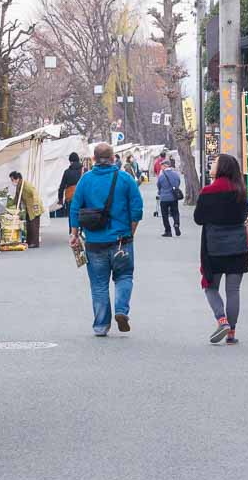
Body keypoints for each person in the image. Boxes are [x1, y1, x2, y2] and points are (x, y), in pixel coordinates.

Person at [69, 142, 143, 336]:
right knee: (124, 276)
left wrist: (74, 234)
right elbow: (137, 209)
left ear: (93, 159)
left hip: (94, 242)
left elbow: (75, 208)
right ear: (112, 159)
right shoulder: (125, 179)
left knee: (99, 284)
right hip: (121, 240)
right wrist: (130, 232)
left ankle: (101, 326)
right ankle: (121, 310)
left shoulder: (85, 180)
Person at [195, 154, 248, 344]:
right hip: (238, 247)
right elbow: (243, 215)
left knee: (210, 286)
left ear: (222, 168)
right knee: (233, 290)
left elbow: (198, 218)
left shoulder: (208, 192)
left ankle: (222, 320)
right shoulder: (241, 191)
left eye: (215, 163)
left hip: (214, 247)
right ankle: (231, 333)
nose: (211, 165)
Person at [10, 171, 44, 249]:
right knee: (29, 224)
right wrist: (12, 205)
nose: (12, 182)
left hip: (34, 207)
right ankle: (29, 241)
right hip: (28, 207)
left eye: (12, 180)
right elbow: (17, 197)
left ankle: (35, 243)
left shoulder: (26, 184)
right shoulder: (19, 186)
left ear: (17, 178)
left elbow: (34, 193)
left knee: (34, 225)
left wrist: (35, 206)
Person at [156, 158, 183, 237]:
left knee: (165, 215)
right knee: (175, 212)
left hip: (164, 198)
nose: (161, 167)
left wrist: (160, 191)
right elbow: (178, 183)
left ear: (165, 166)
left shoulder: (161, 176)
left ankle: (168, 231)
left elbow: (158, 185)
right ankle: (176, 224)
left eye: (162, 165)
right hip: (173, 197)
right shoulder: (175, 174)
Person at [57, 152, 84, 218]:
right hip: (82, 197)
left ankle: (72, 228)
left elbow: (62, 186)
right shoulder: (84, 170)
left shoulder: (67, 172)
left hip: (70, 197)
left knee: (72, 217)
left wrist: (60, 199)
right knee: (83, 217)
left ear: (70, 161)